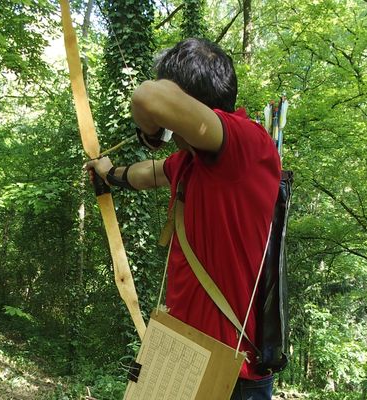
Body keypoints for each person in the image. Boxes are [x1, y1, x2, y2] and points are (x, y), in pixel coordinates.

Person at [85, 38, 281, 400]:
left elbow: (147, 97)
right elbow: (150, 173)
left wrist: (152, 133)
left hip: (229, 374)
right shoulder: (193, 161)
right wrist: (110, 172)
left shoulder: (246, 143)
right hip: (180, 355)